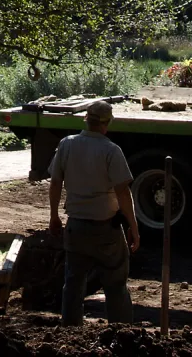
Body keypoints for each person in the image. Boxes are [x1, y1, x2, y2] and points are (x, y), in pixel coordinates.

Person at [48, 100, 140, 326]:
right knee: (116, 284)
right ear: (106, 123)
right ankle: (121, 333)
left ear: (86, 120)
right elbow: (123, 193)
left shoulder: (67, 144)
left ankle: (70, 333)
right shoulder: (111, 150)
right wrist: (134, 228)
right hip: (106, 229)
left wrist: (53, 216)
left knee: (73, 284)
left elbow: (55, 182)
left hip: (76, 227)